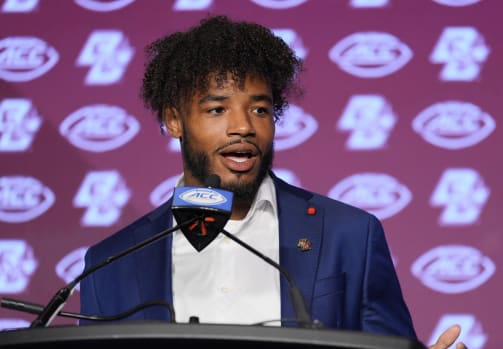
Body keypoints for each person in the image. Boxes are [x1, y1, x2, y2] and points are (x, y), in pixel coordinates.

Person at [78, 14, 467, 349]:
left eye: (260, 109)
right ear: (175, 120)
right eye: (217, 109)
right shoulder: (111, 263)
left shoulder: (350, 236)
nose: (244, 126)